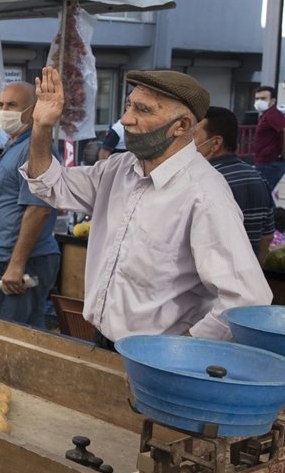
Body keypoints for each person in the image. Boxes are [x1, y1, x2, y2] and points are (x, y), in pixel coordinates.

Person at [25, 67, 272, 350]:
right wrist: (42, 127)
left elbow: (247, 300)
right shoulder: (117, 170)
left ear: (181, 125)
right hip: (104, 340)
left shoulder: (204, 194)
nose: (126, 119)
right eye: (129, 105)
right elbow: (49, 183)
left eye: (142, 110)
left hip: (159, 358)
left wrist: (176, 356)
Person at [0, 82, 60, 329]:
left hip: (18, 262)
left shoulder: (35, 149)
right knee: (28, 335)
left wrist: (16, 264)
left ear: (33, 110)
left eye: (12, 105)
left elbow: (38, 209)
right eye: (1, 105)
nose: (4, 111)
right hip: (7, 258)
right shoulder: (17, 145)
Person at [194, 106, 276, 263]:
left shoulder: (205, 181)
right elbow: (267, 237)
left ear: (215, 143)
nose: (187, 143)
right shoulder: (258, 177)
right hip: (247, 278)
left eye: (193, 136)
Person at [252, 86, 285, 193]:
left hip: (269, 162)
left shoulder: (272, 114)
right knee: (265, 195)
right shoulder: (266, 115)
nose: (259, 101)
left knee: (262, 194)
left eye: (263, 98)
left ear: (272, 101)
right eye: (257, 99)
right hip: (265, 161)